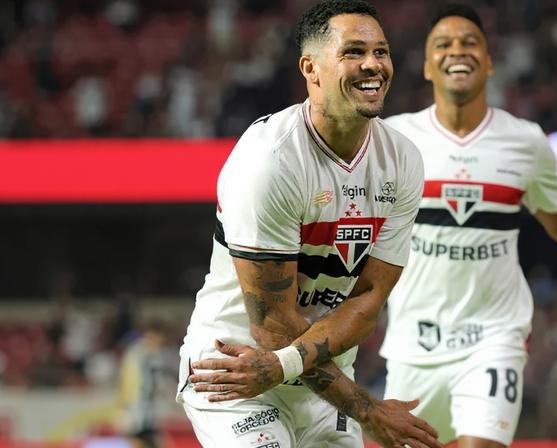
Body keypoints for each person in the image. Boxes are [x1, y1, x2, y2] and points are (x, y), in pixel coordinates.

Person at [378, 4, 557, 448]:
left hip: (493, 338)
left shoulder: (525, 140)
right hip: (412, 346)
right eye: (442, 45)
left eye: (470, 43)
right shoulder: (393, 139)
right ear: (427, 66)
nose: (457, 51)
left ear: (489, 61)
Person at [176, 1, 441, 447]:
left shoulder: (402, 161)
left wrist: (331, 389)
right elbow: (272, 325)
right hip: (237, 374)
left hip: (322, 380)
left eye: (381, 51)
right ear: (311, 68)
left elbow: (368, 298)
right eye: (354, 52)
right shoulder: (270, 161)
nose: (373, 64)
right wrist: (368, 409)